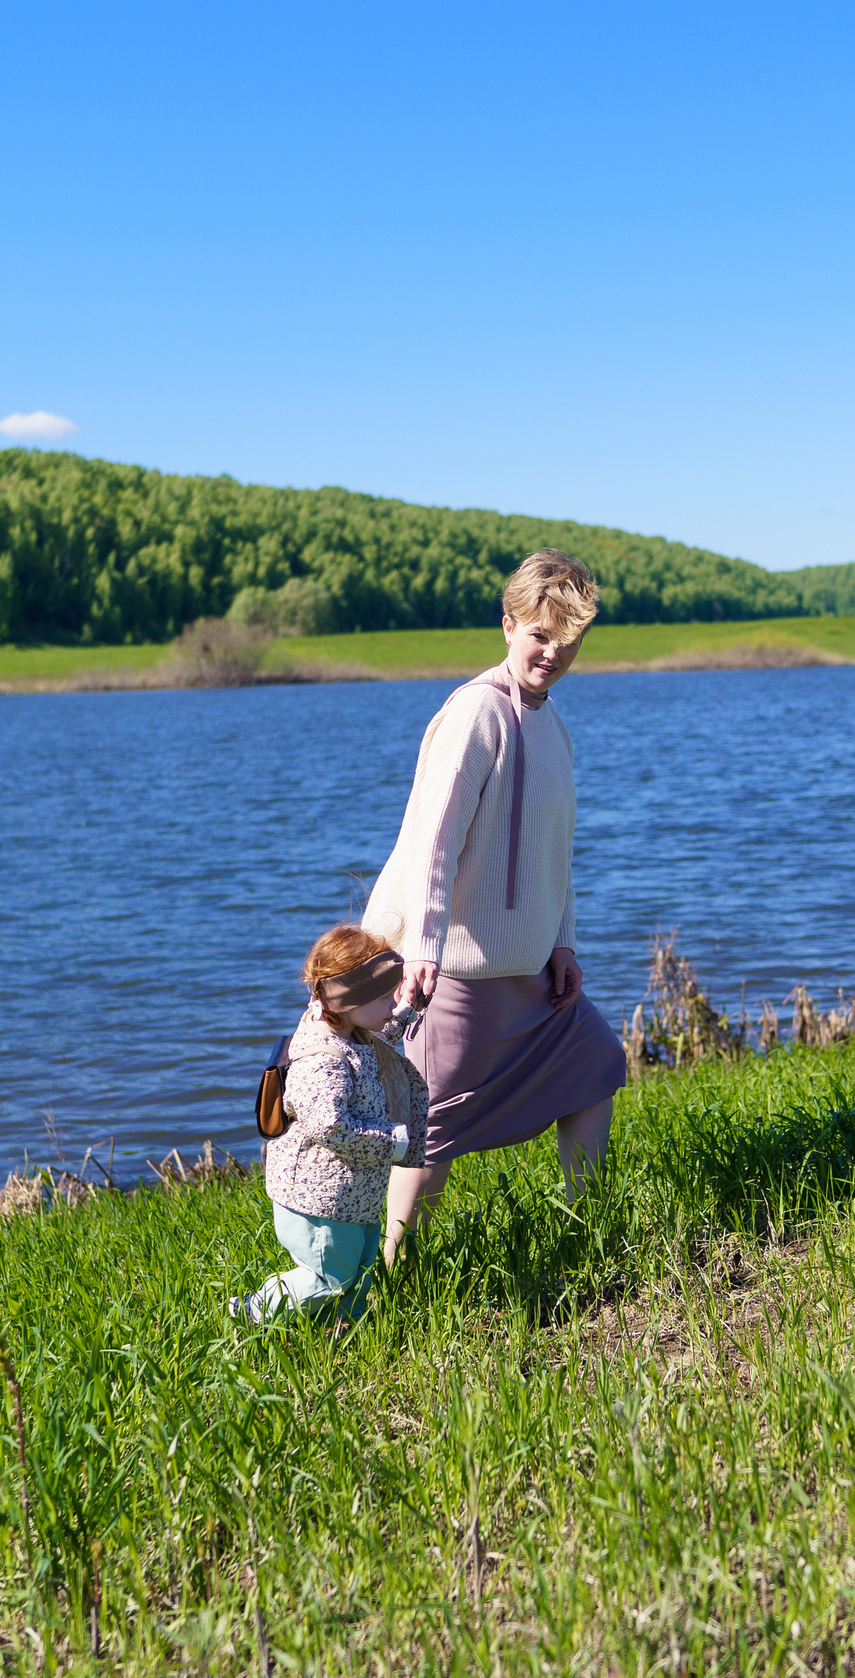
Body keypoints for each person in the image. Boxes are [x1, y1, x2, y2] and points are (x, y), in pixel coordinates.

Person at [361, 549, 629, 1263]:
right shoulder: (478, 711)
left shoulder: (554, 726)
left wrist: (564, 943)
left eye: (568, 638)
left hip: (535, 977)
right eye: (540, 634)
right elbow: (433, 843)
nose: (553, 651)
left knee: (597, 1062)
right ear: (507, 624)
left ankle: (585, 1232)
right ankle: (393, 1264)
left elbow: (556, 847)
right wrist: (423, 948)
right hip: (462, 975)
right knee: (434, 1129)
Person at [235, 925, 429, 1322]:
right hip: (319, 1201)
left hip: (353, 1194)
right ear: (344, 1003)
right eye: (383, 998)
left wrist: (407, 1007)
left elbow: (378, 1032)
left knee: (357, 1274)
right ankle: (253, 1312)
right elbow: (331, 1127)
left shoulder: (350, 1028)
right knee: (327, 1278)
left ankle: (343, 1334)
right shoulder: (321, 1059)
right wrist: (393, 1142)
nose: (391, 1005)